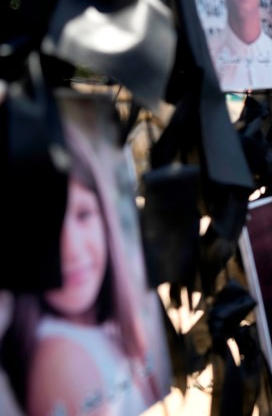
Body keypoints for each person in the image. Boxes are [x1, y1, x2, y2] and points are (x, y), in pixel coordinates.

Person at [1, 118, 171, 416]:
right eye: (47, 226)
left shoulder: (108, 323)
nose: (72, 247)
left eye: (83, 214)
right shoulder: (62, 358)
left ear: (105, 215)